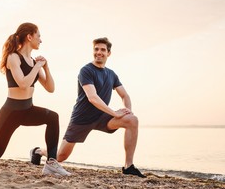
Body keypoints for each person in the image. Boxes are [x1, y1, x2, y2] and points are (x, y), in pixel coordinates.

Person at [0, 22, 70, 176]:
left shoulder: (34, 62)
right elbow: (23, 83)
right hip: (11, 113)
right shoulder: (13, 57)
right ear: (29, 37)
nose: (41, 40)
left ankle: (51, 163)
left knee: (53, 117)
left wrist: (46, 68)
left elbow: (50, 88)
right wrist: (37, 67)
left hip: (28, 110)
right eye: (39, 36)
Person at [30, 37, 146, 178]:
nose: (99, 52)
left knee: (132, 120)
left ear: (108, 53)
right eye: (96, 49)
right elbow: (92, 98)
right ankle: (38, 151)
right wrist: (115, 113)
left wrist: (128, 110)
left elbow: (125, 95)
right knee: (60, 156)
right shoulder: (86, 71)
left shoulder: (111, 74)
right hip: (82, 118)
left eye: (103, 49)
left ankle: (129, 166)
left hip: (102, 116)